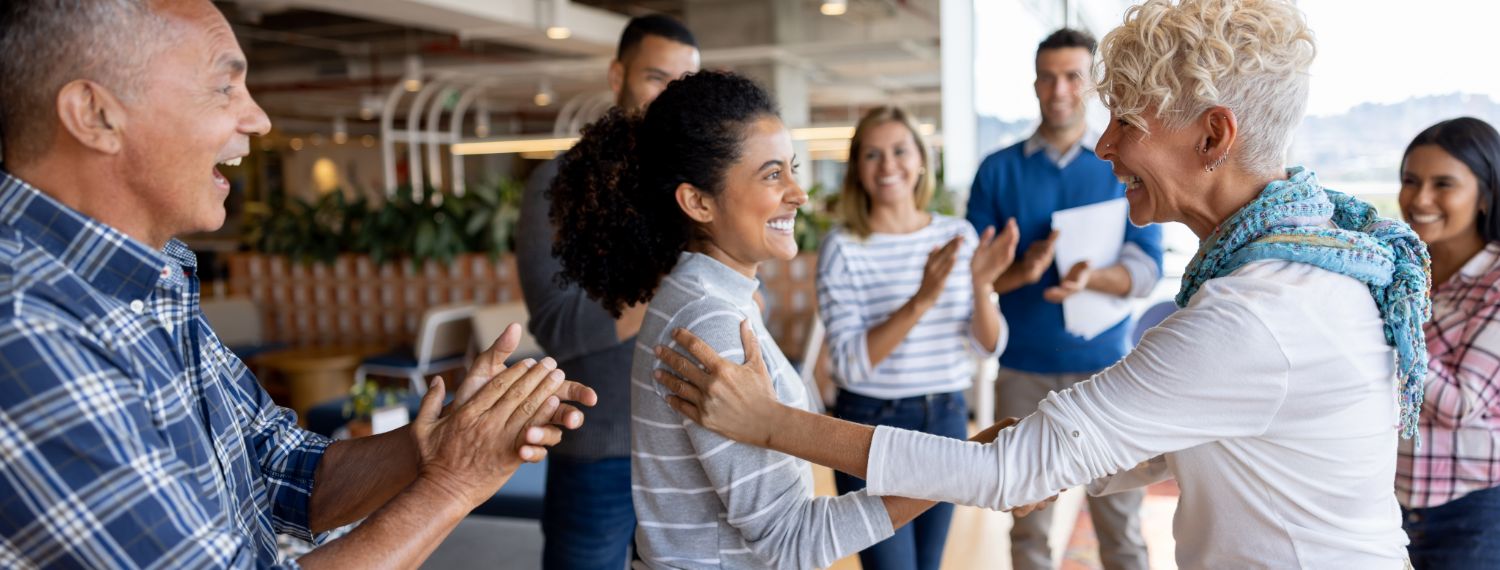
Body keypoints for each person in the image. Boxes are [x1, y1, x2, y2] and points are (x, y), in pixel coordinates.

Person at [651, 1, 1432, 568]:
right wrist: (1020, 453)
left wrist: (769, 422)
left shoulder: (1259, 312)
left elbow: (1012, 475)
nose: (1103, 143)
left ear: (1214, 136)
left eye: (1127, 120)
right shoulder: (1296, 270)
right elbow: (1181, 442)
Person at [0, 1, 595, 568]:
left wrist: (437, 442)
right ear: (94, 114)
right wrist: (456, 479)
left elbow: (282, 469)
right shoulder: (23, 323)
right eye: (224, 86)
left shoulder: (151, 274)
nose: (258, 118)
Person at [549, 70, 1010, 569]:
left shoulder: (713, 298)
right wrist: (966, 470)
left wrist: (968, 464)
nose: (799, 193)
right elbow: (789, 539)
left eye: (791, 168)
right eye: (773, 175)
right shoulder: (709, 323)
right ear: (698, 202)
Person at [965, 28, 1160, 570]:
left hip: (1109, 373)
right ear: (1034, 84)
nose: (1059, 90)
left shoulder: (1121, 165)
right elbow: (974, 279)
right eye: (1048, 77)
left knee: (1120, 525)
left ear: (1092, 86)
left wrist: (1088, 279)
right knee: (1027, 526)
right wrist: (1023, 270)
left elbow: (1146, 271)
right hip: (1022, 371)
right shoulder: (997, 171)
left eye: (1073, 76)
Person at [516, 14, 699, 569]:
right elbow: (562, 328)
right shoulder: (559, 185)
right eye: (656, 78)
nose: (671, 97)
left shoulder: (695, 187)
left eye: (684, 83)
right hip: (599, 452)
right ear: (617, 75)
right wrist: (682, 277)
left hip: (692, 449)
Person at [817, 105, 1014, 570]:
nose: (888, 166)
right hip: (869, 426)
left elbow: (988, 346)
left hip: (944, 417)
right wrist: (921, 300)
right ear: (856, 169)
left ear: (921, 159)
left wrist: (983, 286)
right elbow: (849, 365)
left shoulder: (957, 236)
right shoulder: (842, 247)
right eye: (872, 154)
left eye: (899, 151)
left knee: (928, 564)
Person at [1395, 117, 1500, 568]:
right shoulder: (1402, 268)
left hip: (1471, 513)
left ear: (1485, 196)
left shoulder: (1496, 283)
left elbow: (1460, 402)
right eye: (1410, 181)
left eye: (1444, 185)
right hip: (1386, 501)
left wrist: (1387, 326)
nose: (1420, 200)